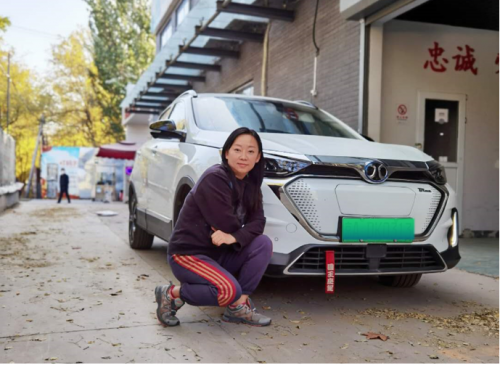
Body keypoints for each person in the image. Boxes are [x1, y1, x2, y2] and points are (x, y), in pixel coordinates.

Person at [155, 127, 273, 327]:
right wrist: (237, 232)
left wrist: (233, 237)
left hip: (219, 253)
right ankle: (171, 294)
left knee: (263, 244)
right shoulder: (215, 178)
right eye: (237, 150)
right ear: (226, 153)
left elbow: (258, 223)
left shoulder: (252, 185)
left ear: (258, 157)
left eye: (251, 151)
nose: (244, 156)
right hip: (188, 255)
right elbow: (225, 222)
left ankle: (238, 307)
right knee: (228, 290)